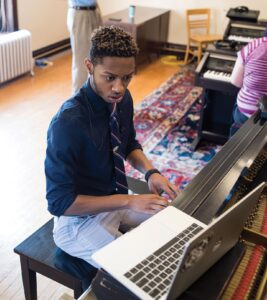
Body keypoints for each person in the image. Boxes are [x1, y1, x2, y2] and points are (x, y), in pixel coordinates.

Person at [45, 26, 178, 269]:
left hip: (114, 201)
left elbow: (128, 145)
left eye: (127, 77)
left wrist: (151, 172)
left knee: (172, 223)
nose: (119, 87)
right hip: (77, 223)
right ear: (89, 67)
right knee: (140, 267)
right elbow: (59, 203)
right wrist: (127, 202)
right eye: (109, 77)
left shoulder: (123, 100)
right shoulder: (67, 122)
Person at [229, 33, 267, 136]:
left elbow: (235, 81)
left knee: (235, 105)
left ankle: (233, 145)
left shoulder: (254, 45)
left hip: (247, 114)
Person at [67, 0, 102, 94]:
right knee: (82, 62)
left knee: (98, 57)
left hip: (94, 11)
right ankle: (78, 102)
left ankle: (94, 96)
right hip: (80, 13)